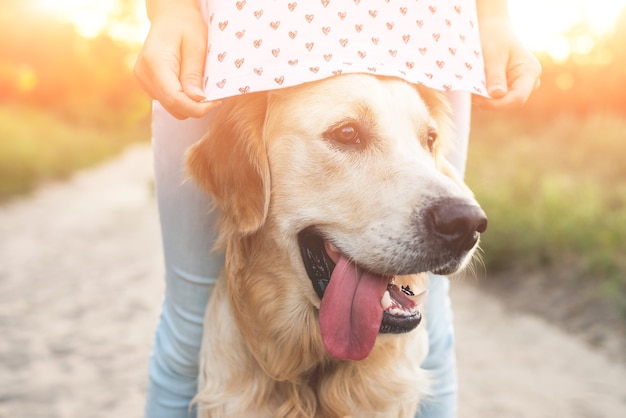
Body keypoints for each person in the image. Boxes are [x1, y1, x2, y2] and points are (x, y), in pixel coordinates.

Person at [134, 1, 541, 417]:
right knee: (190, 325)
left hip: (424, 29)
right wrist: (172, 11)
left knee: (428, 331)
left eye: (427, 140)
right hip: (239, 38)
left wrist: (492, 16)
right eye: (347, 134)